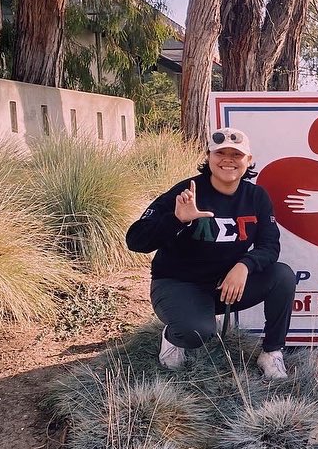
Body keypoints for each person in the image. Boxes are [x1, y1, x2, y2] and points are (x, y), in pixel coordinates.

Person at [126, 127, 296, 379]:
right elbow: (136, 240)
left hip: (226, 285)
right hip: (178, 283)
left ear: (248, 161)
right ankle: (175, 335)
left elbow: (269, 246)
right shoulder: (186, 192)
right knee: (196, 333)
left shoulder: (256, 196)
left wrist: (244, 266)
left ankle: (271, 353)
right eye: (220, 153)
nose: (228, 160)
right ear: (208, 156)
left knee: (282, 276)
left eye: (236, 154)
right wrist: (177, 219)